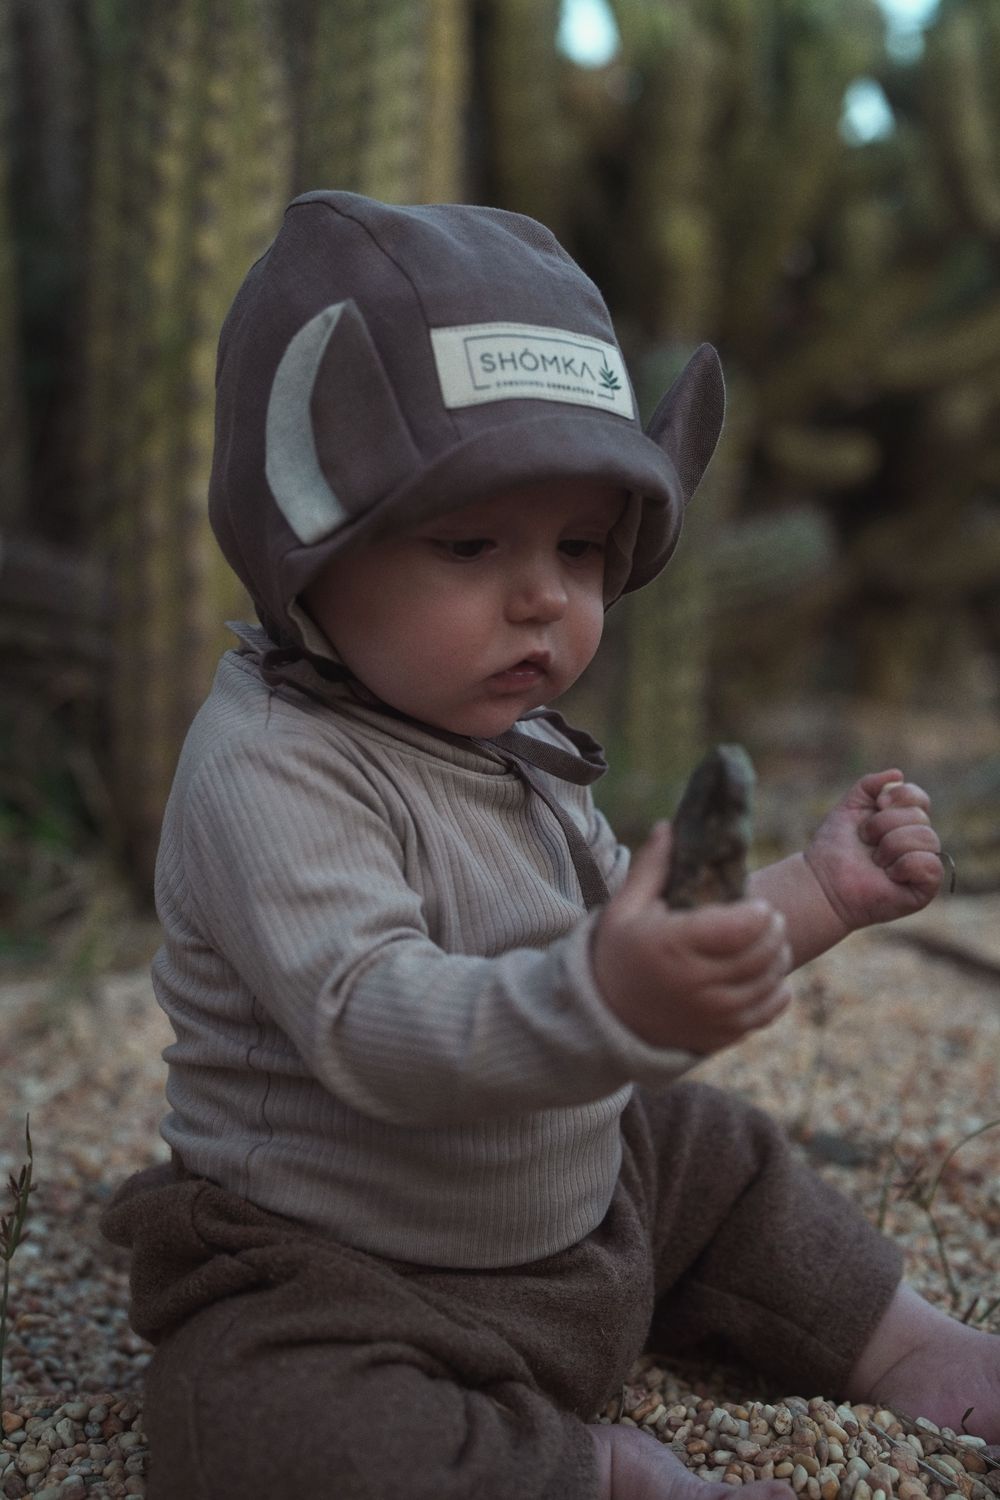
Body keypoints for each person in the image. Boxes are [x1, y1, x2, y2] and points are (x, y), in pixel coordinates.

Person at [101, 191, 999, 1500]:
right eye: (469, 543)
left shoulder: (509, 737)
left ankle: (903, 1341)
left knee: (708, 1148)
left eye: (581, 548)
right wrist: (605, 997)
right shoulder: (270, 766)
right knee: (247, 1419)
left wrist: (818, 889)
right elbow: (372, 1024)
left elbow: (646, 950)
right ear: (308, 535)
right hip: (352, 1268)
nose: (543, 597)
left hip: (579, 1222)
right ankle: (585, 1470)